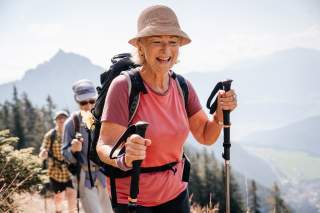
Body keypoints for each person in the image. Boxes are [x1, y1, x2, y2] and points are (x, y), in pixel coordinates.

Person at [96, 5, 238, 213]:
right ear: (141, 46)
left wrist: (219, 113)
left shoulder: (182, 87)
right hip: (133, 199)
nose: (166, 50)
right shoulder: (124, 87)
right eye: (156, 42)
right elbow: (104, 145)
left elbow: (206, 136)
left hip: (175, 194)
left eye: (173, 42)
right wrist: (123, 157)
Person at [62, 79, 112, 213]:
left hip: (105, 175)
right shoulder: (72, 123)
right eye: (83, 102)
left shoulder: (105, 119)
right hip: (84, 177)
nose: (88, 105)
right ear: (77, 102)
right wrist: (72, 149)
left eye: (92, 101)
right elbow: (64, 153)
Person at [39, 110, 77, 213]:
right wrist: (43, 153)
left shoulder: (73, 134)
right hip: (55, 171)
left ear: (68, 120)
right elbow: (44, 149)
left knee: (71, 194)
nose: (61, 120)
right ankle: (58, 211)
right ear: (55, 121)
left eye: (64, 118)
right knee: (59, 197)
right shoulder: (50, 135)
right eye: (59, 118)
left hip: (71, 170)